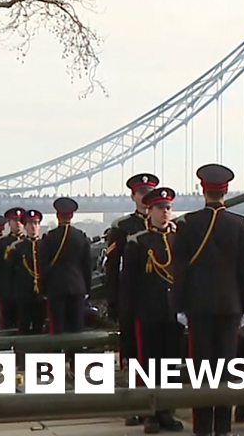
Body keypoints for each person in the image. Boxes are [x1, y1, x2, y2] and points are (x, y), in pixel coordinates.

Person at [173, 164, 244, 436]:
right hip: (230, 307)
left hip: (198, 308)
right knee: (226, 371)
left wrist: (180, 307)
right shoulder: (240, 225)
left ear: (202, 189)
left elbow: (180, 270)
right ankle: (223, 428)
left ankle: (202, 428)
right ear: (226, 191)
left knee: (202, 372)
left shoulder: (187, 224)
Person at [121, 187, 184, 434]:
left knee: (170, 363)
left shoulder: (179, 240)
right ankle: (150, 412)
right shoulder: (138, 242)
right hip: (148, 312)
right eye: (160, 208)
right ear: (150, 211)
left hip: (173, 313)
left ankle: (166, 411)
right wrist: (127, 317)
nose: (165, 213)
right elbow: (129, 286)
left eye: (168, 208)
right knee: (149, 364)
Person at [105, 173, 158, 428]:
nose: (145, 199)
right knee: (134, 355)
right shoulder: (123, 227)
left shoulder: (167, 226)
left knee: (161, 355)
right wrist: (114, 302)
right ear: (133, 196)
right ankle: (137, 406)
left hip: (159, 301)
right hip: (133, 301)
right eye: (141, 194)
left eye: (150, 193)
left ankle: (161, 407)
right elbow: (112, 268)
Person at [39, 197, 91, 334]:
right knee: (77, 330)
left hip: (55, 289)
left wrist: (43, 289)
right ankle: (74, 355)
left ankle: (58, 355)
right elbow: (87, 266)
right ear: (72, 215)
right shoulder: (81, 237)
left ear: (57, 215)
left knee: (57, 330)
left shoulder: (49, 238)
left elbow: (43, 266)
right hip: (77, 288)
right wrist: (86, 289)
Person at [7, 210, 45, 334]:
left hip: (41, 294)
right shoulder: (17, 247)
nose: (33, 227)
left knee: (40, 327)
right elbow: (10, 272)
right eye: (30, 224)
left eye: (36, 223)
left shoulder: (45, 246)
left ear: (39, 226)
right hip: (23, 295)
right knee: (23, 327)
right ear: (25, 226)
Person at [0, 208, 26, 328]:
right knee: (7, 324)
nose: (18, 224)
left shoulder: (29, 243)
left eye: (21, 221)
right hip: (8, 291)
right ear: (9, 222)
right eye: (15, 220)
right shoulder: (2, 243)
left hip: (25, 292)